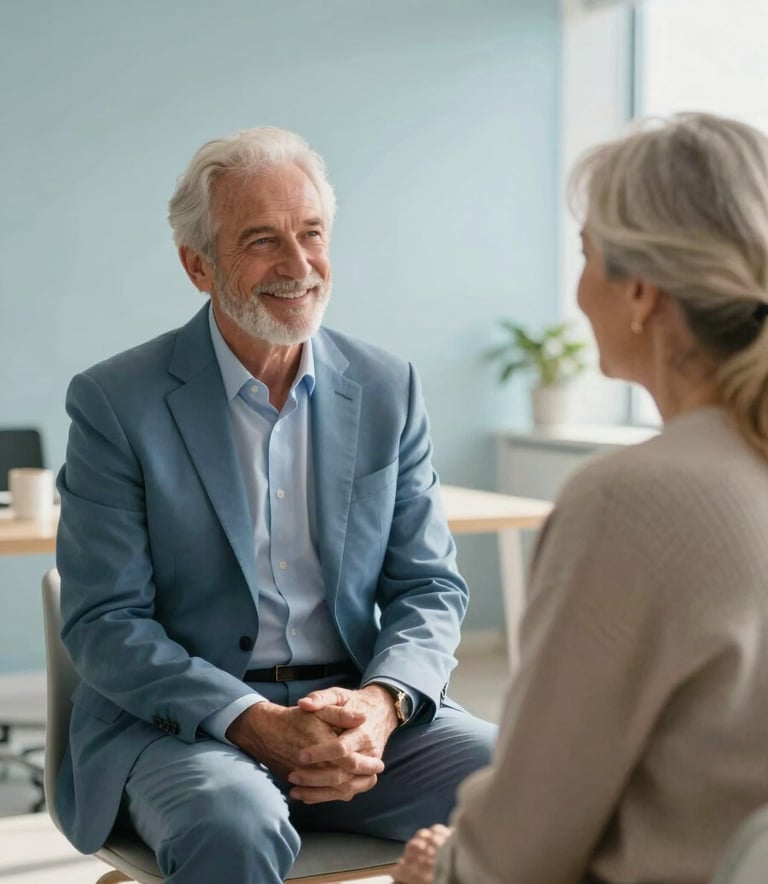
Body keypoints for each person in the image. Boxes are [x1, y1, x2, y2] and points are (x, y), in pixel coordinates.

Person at [54, 126, 496, 884]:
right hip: (189, 730)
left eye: (312, 235)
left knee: (527, 781)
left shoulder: (388, 388)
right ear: (199, 265)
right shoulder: (115, 403)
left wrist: (381, 708)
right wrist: (256, 724)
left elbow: (429, 587)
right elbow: (105, 623)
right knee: (234, 822)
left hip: (356, 712)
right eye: (262, 241)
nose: (298, 267)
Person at [392, 111, 768, 884]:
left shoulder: (637, 499)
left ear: (638, 291)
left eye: (586, 255)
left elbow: (518, 852)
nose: (579, 288)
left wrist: (445, 869)